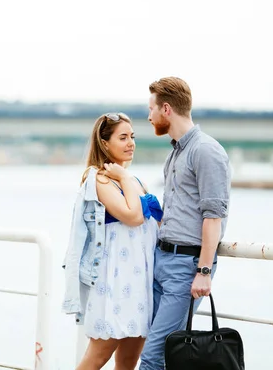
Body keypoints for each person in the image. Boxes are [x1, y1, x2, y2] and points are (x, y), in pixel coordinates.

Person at [136, 77, 231, 370]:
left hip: (186, 266)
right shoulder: (176, 152)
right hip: (162, 260)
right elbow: (180, 211)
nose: (148, 116)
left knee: (155, 357)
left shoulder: (206, 151)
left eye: (151, 109)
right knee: (154, 349)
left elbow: (213, 216)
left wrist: (203, 271)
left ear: (166, 109)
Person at [62, 112, 163, 370]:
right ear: (105, 143)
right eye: (123, 137)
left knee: (129, 360)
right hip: (113, 283)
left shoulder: (136, 181)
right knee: (98, 355)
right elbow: (132, 216)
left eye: (132, 137)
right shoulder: (99, 179)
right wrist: (125, 178)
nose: (131, 143)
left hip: (140, 283)